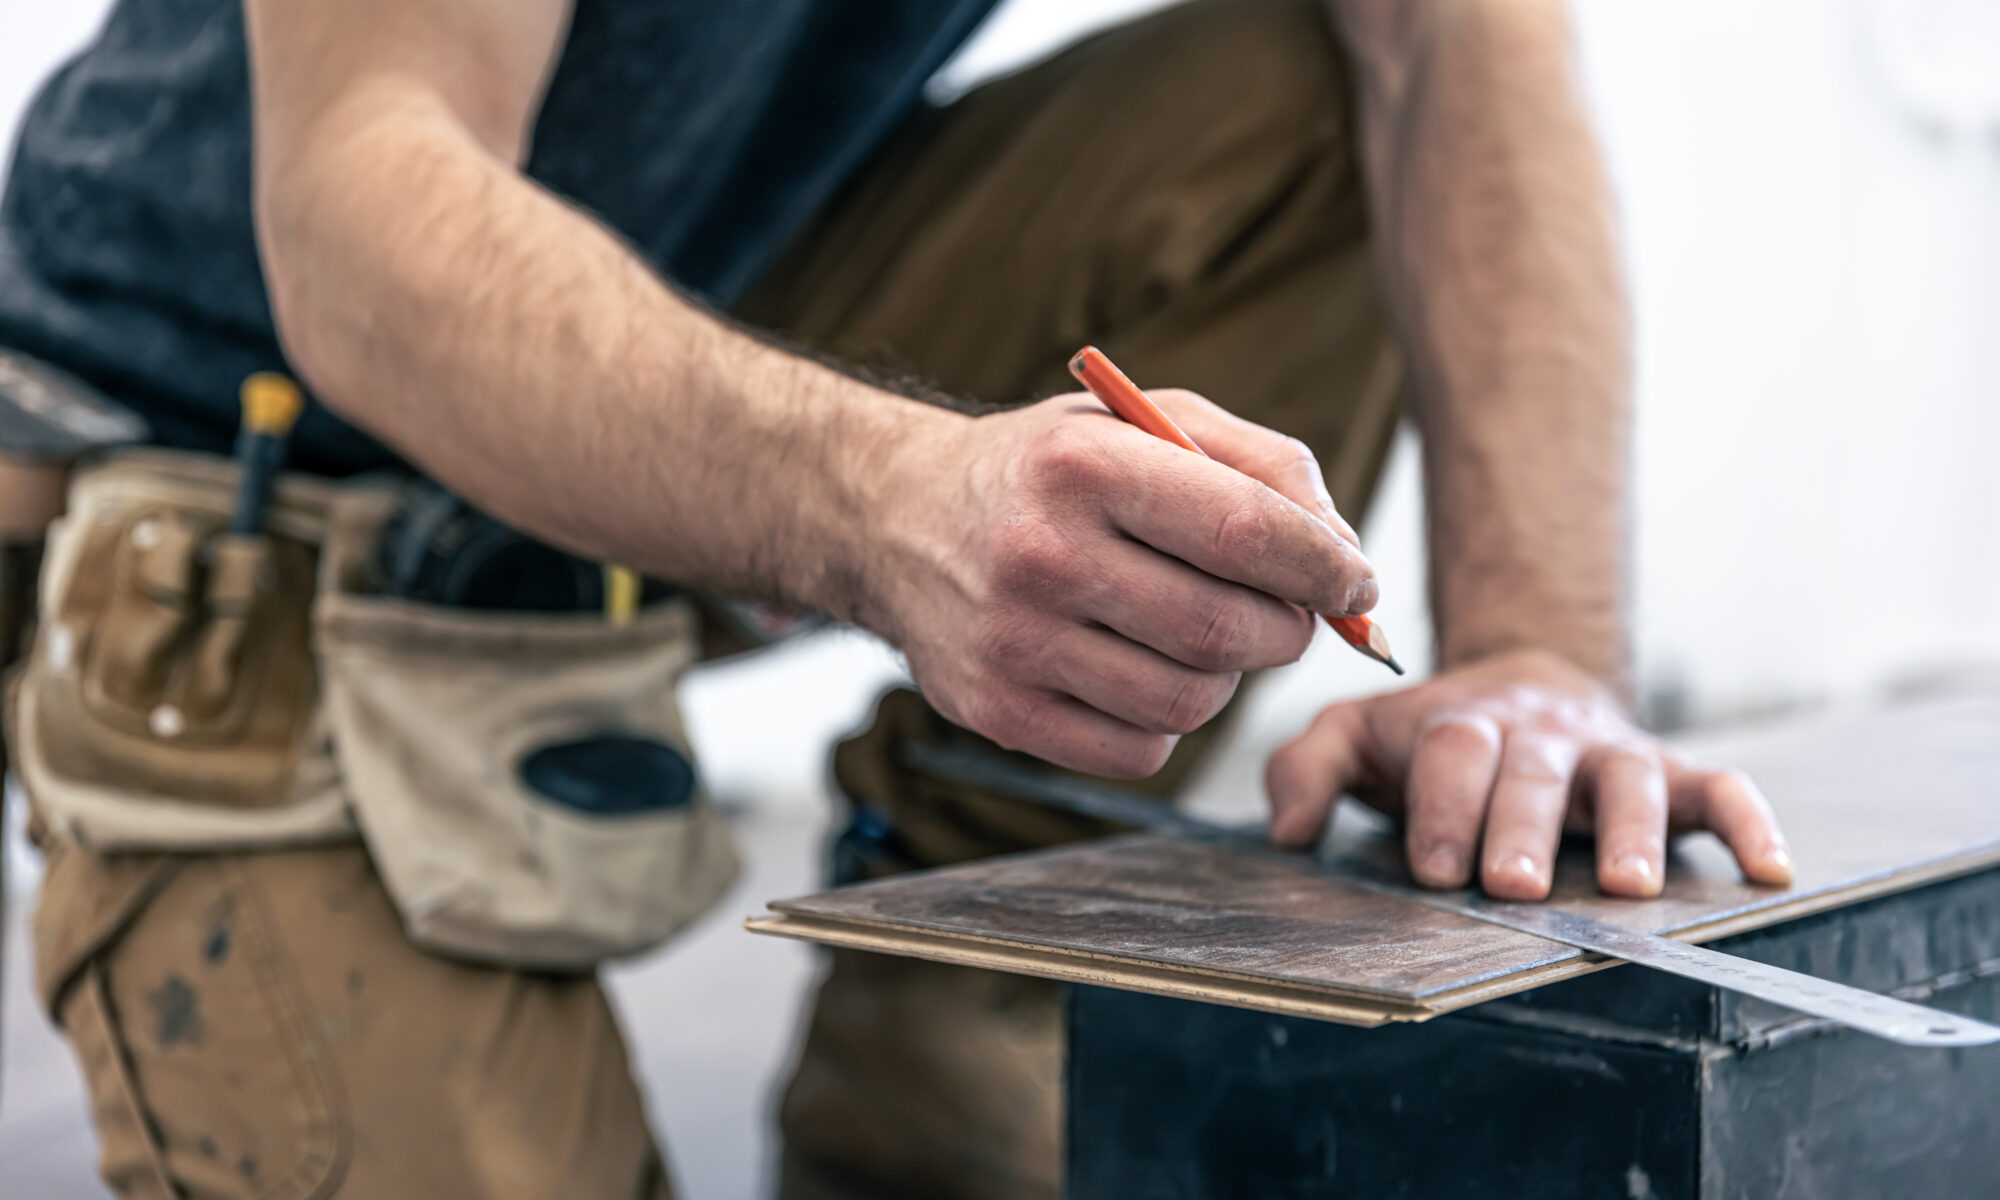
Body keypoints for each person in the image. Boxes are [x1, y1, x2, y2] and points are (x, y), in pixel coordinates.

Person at [0, 0, 1794, 1196]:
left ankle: (953, 968)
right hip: (214, 479)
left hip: (669, 317)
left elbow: (1451, 48)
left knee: (1290, 107)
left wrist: (1541, 656)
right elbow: (356, 205)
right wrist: (889, 497)